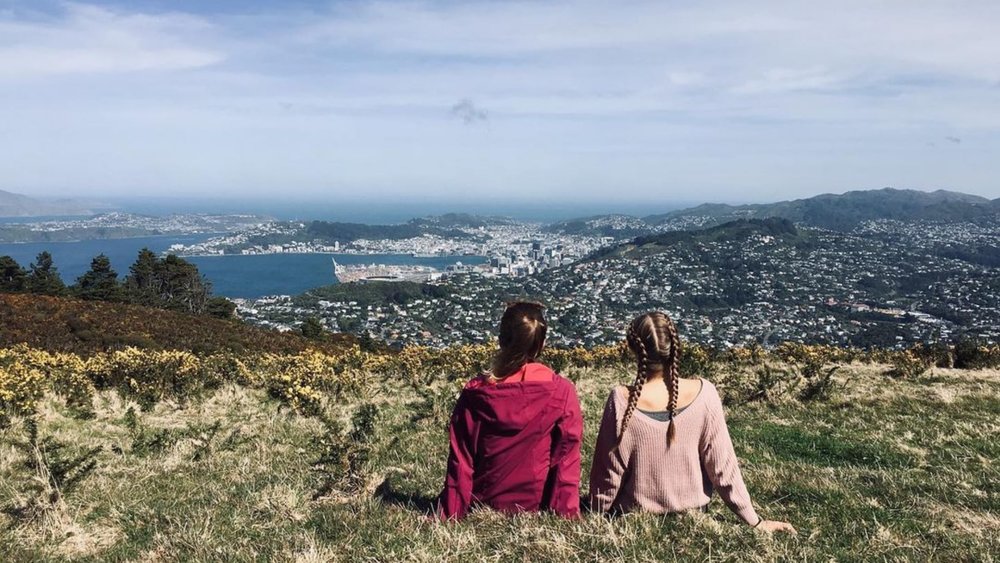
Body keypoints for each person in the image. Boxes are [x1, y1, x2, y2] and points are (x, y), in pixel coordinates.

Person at [588, 312, 796, 533]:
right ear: (675, 346)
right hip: (694, 515)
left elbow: (608, 474)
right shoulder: (705, 394)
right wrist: (755, 521)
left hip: (633, 519)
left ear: (632, 348)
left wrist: (596, 514)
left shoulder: (622, 400)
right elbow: (723, 469)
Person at [437, 301, 583, 520]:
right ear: (541, 344)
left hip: (483, 500)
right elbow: (565, 458)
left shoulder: (476, 393)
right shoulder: (561, 391)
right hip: (536, 503)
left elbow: (461, 459)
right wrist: (567, 513)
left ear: (501, 339)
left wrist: (451, 511)